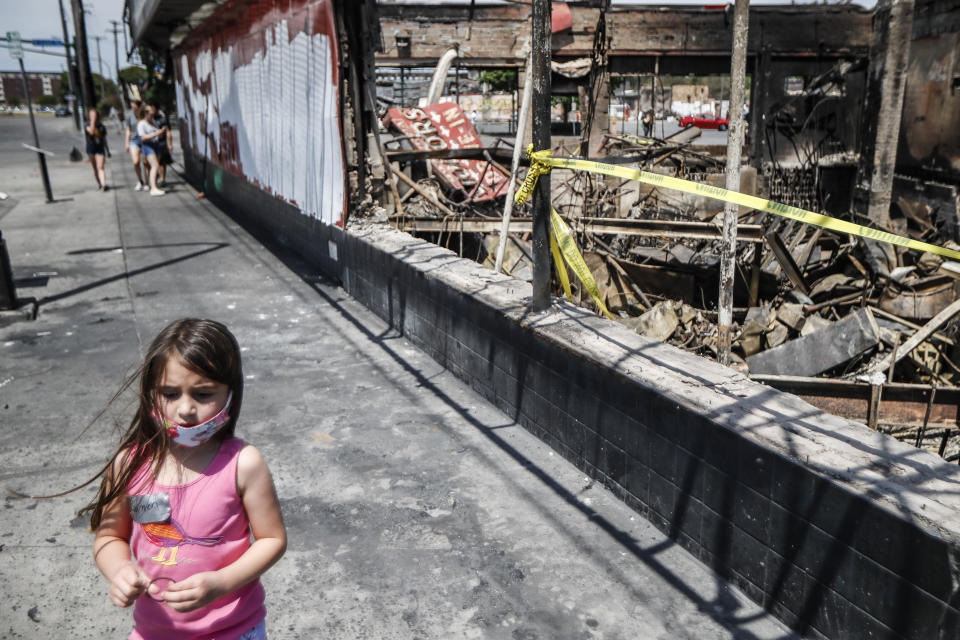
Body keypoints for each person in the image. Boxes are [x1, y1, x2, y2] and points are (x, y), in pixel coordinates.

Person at [83, 318, 286, 640]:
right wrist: (119, 571)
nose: (186, 409)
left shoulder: (243, 463)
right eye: (169, 393)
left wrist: (222, 583)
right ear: (150, 392)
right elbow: (110, 538)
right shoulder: (128, 464)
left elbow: (272, 539)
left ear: (230, 395)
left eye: (204, 394)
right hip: (153, 631)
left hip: (233, 630)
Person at [136, 105, 168, 196]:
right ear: (145, 114)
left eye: (153, 114)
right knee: (155, 165)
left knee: (155, 166)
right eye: (150, 114)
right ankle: (153, 188)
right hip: (147, 146)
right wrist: (156, 133)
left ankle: (154, 186)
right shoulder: (141, 124)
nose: (152, 116)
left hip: (156, 145)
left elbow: (157, 134)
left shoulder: (153, 122)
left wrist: (161, 133)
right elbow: (143, 137)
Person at [85, 108, 110, 191]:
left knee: (100, 167)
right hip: (91, 148)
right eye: (91, 115)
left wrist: (108, 150)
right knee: (95, 168)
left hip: (100, 148)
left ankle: (104, 184)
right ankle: (99, 183)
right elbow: (91, 132)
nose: (93, 117)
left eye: (94, 115)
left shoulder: (101, 126)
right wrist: (92, 122)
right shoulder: (87, 124)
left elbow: (104, 139)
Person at [124, 100, 146, 191]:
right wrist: (126, 142)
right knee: (136, 162)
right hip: (134, 140)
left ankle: (148, 181)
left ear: (139, 106)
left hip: (144, 139)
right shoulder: (129, 115)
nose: (133, 107)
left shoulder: (143, 114)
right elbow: (128, 129)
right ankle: (140, 181)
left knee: (146, 162)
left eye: (135, 106)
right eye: (132, 105)